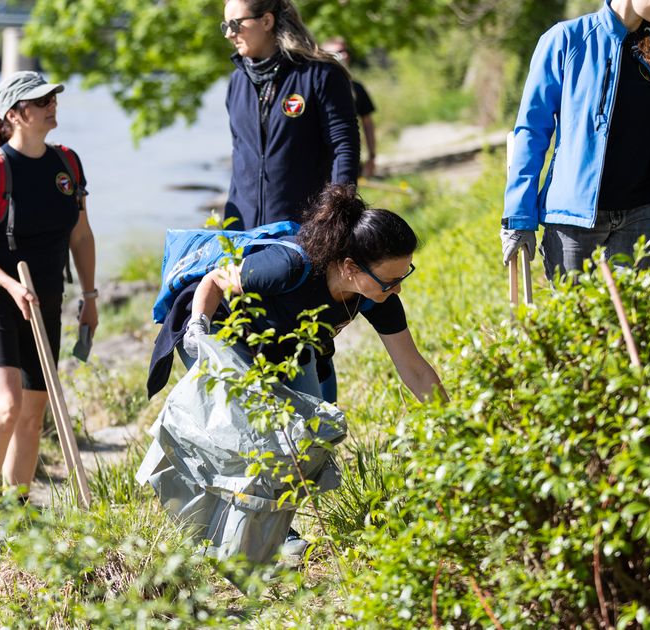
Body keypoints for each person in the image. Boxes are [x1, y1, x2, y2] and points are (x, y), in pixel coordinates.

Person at [159, 183, 445, 560]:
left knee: (308, 436)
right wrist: (198, 330)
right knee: (251, 436)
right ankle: (239, 538)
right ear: (349, 267)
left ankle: (268, 530)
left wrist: (454, 426)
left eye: (402, 277)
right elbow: (215, 280)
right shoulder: (288, 267)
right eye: (390, 281)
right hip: (216, 326)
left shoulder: (377, 297)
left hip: (284, 345)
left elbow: (414, 368)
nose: (397, 290)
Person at [0, 71, 98, 526]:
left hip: (44, 301)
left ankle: (15, 512)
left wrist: (90, 296)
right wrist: (12, 284)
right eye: (41, 101)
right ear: (15, 115)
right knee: (5, 407)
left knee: (33, 416)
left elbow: (81, 235)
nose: (52, 105)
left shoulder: (68, 163)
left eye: (52, 97)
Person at [502, 0, 650, 280]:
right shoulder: (566, 40)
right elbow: (532, 131)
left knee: (635, 310)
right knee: (576, 309)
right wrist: (519, 217)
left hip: (645, 218)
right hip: (573, 221)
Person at [221, 0, 359, 230]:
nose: (229, 34)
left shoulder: (320, 74)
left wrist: (337, 214)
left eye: (235, 24)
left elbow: (343, 147)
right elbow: (240, 157)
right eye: (225, 26)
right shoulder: (237, 81)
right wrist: (232, 227)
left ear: (267, 21)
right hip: (245, 233)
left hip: (305, 229)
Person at [322, 37, 378, 179]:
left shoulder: (356, 88)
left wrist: (372, 156)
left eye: (346, 51)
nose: (344, 55)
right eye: (338, 52)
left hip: (345, 159)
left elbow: (367, 123)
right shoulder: (313, 88)